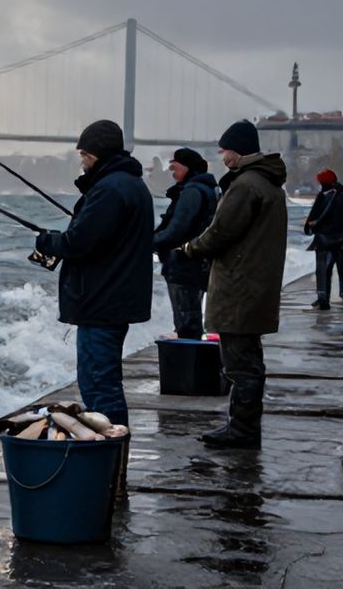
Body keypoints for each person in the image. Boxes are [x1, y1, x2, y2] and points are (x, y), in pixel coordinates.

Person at [35, 120, 154, 429]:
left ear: (99, 155)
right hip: (114, 299)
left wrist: (47, 240)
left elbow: (78, 242)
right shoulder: (129, 184)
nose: (82, 162)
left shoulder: (110, 190)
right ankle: (112, 461)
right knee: (104, 384)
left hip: (101, 302)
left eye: (85, 156)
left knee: (100, 388)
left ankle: (110, 462)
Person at [184, 120, 287, 449]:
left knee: (240, 365)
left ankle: (241, 430)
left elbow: (220, 233)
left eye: (225, 149)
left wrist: (189, 248)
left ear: (237, 150)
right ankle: (243, 426)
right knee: (249, 360)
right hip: (257, 284)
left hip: (240, 287)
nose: (221, 154)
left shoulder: (246, 185)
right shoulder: (268, 183)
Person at [153, 148, 219, 338]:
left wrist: (148, 242)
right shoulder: (209, 189)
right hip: (198, 263)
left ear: (187, 168)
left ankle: (189, 363)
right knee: (192, 318)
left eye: (175, 167)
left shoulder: (192, 192)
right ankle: (194, 361)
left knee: (186, 323)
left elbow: (176, 231)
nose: (171, 171)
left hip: (183, 265)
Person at [305, 168, 343, 309]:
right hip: (327, 238)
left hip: (329, 238)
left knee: (323, 270)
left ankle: (323, 299)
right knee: (324, 270)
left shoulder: (337, 197)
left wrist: (314, 225)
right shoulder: (326, 195)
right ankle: (322, 299)